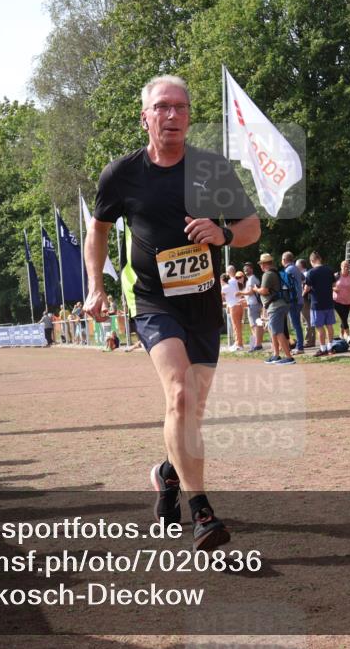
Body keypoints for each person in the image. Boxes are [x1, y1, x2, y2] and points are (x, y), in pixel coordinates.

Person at [85, 74, 260, 550]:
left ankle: (167, 473)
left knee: (191, 411)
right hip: (153, 302)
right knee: (180, 395)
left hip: (202, 305)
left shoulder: (211, 168)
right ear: (145, 116)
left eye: (181, 108)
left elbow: (250, 228)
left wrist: (222, 234)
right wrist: (95, 286)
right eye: (162, 107)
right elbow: (97, 231)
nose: (172, 116)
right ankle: (201, 508)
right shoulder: (121, 175)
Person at [255, 253, 295, 365]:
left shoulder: (267, 274)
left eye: (261, 264)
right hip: (280, 305)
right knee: (273, 330)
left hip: (275, 306)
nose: (260, 266)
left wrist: (256, 289)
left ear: (264, 264)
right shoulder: (276, 273)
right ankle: (276, 355)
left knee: (277, 331)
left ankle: (289, 357)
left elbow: (264, 290)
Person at [304, 252, 336, 356]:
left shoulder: (311, 272)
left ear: (312, 261)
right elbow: (334, 284)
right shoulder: (329, 270)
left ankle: (323, 349)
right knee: (329, 326)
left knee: (319, 327)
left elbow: (307, 288)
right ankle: (330, 347)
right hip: (329, 302)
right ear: (320, 259)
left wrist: (302, 294)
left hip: (317, 304)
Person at [281, 252, 305, 354]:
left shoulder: (288, 270)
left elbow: (284, 286)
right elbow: (304, 279)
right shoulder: (296, 268)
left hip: (293, 301)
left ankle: (300, 347)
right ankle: (300, 346)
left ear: (284, 260)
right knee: (297, 324)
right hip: (299, 299)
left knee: (296, 325)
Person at [241, 262, 264, 351]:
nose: (245, 270)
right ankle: (258, 344)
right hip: (255, 304)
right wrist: (244, 299)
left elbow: (250, 292)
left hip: (253, 305)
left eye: (247, 268)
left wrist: (240, 293)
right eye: (244, 268)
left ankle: (257, 345)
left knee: (254, 325)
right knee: (258, 324)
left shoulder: (251, 279)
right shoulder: (252, 279)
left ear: (251, 269)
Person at [221, 272, 245, 351]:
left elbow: (220, 297)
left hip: (234, 307)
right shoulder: (231, 285)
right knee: (238, 326)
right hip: (238, 306)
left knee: (236, 326)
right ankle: (238, 343)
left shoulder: (225, 287)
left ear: (222, 280)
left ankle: (239, 344)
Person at [296, 258, 316, 348]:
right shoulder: (306, 273)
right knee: (308, 320)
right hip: (307, 299)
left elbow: (306, 288)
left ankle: (309, 341)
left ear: (300, 266)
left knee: (306, 320)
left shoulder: (304, 274)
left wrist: (300, 296)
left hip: (305, 300)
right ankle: (311, 340)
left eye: (297, 265)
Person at [332, 260, 350, 342]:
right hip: (337, 300)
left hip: (347, 301)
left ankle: (341, 335)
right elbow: (330, 285)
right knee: (343, 318)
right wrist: (334, 289)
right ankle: (348, 336)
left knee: (344, 318)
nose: (346, 268)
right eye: (344, 266)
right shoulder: (336, 275)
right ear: (341, 267)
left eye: (348, 266)